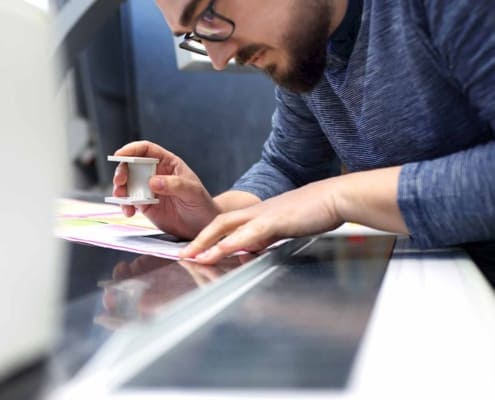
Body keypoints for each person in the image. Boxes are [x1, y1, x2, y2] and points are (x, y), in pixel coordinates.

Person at [112, 0, 495, 269]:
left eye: (209, 14)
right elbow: (291, 167)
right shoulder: (307, 47)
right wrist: (216, 217)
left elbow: (315, 193)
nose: (218, 58)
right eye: (195, 34)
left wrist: (336, 197)